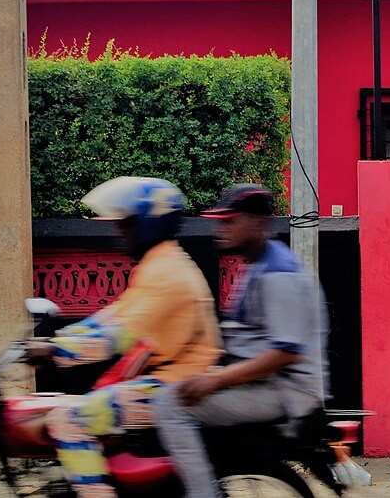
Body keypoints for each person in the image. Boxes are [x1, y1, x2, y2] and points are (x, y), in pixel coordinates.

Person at [31, 177, 221, 498]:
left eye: (128, 224)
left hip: (174, 387)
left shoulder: (167, 274)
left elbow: (116, 336)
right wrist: (60, 339)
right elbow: (112, 316)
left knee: (68, 420)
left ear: (149, 225)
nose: (120, 231)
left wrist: (53, 350)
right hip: (163, 377)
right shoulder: (158, 264)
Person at [154, 184, 328, 498]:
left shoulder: (280, 273)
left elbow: (284, 353)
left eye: (230, 221)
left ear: (258, 223)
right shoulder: (258, 266)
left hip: (285, 391)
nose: (220, 228)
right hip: (261, 384)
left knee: (170, 405)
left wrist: (215, 381)